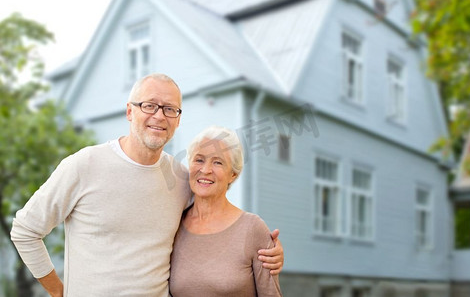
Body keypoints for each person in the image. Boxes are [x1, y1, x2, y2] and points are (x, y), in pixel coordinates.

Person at [10, 73, 283, 297]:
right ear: (130, 111)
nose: (159, 116)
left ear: (177, 120)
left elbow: (214, 220)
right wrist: (58, 292)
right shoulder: (84, 165)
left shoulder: (180, 178)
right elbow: (24, 230)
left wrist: (267, 254)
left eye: (170, 109)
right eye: (149, 105)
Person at [169, 125, 282, 297]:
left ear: (233, 175)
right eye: (199, 160)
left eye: (218, 162)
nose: (205, 170)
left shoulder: (252, 228)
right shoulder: (173, 225)